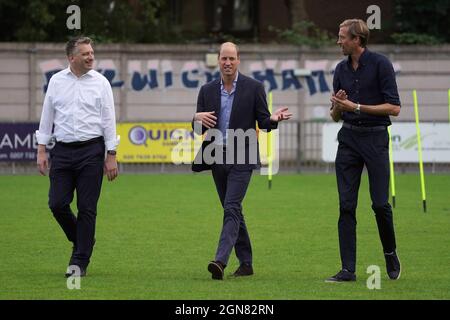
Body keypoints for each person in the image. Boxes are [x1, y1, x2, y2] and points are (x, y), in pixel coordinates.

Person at [192, 42, 292, 280]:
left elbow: (264, 122)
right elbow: (198, 129)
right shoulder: (206, 90)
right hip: (216, 156)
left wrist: (274, 119)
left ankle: (220, 261)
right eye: (224, 58)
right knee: (233, 209)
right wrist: (194, 118)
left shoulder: (254, 87)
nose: (227, 63)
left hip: (243, 155)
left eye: (232, 59)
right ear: (218, 60)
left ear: (239, 60)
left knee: (231, 207)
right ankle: (246, 263)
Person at [36, 36, 119, 277]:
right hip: (61, 151)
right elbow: (47, 115)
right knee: (57, 204)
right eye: (85, 53)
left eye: (92, 52)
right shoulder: (56, 82)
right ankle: (83, 240)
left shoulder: (102, 83)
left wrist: (111, 154)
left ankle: (79, 261)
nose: (91, 56)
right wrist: (41, 149)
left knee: (87, 208)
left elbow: (108, 120)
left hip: (91, 151)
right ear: (71, 58)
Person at [327, 19, 401, 282]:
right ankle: (348, 269)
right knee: (346, 206)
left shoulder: (381, 64)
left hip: (375, 139)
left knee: (380, 204)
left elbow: (394, 108)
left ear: (357, 40)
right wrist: (338, 105)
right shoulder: (340, 69)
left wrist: (356, 106)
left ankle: (390, 252)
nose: (338, 41)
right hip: (348, 139)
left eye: (342, 37)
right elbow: (335, 115)